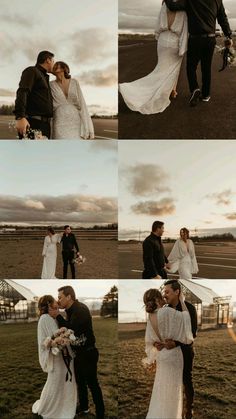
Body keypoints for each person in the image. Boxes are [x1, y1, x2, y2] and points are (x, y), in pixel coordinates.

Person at [119, 1, 188, 114]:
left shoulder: (165, 5)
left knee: (160, 68)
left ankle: (172, 91)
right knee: (172, 70)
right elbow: (185, 29)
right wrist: (182, 47)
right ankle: (135, 90)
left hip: (162, 40)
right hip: (174, 41)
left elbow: (158, 25)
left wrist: (158, 37)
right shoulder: (184, 6)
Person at [49, 286, 105, 419]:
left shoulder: (80, 309)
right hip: (78, 354)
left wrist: (58, 316)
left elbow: (73, 328)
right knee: (80, 383)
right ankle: (84, 407)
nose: (58, 300)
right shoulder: (69, 310)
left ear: (69, 297)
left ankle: (100, 413)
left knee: (92, 384)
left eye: (60, 297)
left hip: (88, 353)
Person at [165, 0, 232, 105]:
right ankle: (205, 95)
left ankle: (195, 88)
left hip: (195, 39)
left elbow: (173, 6)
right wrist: (228, 34)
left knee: (191, 67)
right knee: (206, 68)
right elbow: (222, 18)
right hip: (210, 39)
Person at [143, 286, 193, 419]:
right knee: (173, 391)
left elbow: (149, 341)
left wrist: (157, 343)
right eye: (162, 295)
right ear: (158, 299)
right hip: (174, 355)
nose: (164, 296)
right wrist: (182, 301)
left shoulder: (150, 318)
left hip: (162, 356)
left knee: (161, 389)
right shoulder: (166, 312)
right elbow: (186, 320)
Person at [32, 295, 77, 419]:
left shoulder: (52, 318)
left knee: (61, 382)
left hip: (61, 356)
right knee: (55, 382)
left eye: (58, 308)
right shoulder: (45, 318)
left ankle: (63, 405)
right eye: (55, 307)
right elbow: (49, 339)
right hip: (57, 358)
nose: (57, 310)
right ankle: (52, 407)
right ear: (48, 307)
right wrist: (61, 338)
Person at [161, 279, 198, 419]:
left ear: (177, 292)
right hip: (169, 353)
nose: (165, 295)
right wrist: (160, 343)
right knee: (171, 381)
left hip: (185, 351)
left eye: (167, 292)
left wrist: (176, 343)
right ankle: (173, 408)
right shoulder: (166, 309)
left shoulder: (190, 308)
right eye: (164, 292)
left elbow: (193, 333)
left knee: (186, 380)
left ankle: (189, 409)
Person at [14, 51, 54, 138]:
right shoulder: (32, 71)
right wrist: (20, 117)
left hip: (45, 125)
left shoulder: (44, 77)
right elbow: (22, 92)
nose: (54, 64)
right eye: (53, 61)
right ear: (48, 60)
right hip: (33, 123)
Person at [50, 61, 94, 139]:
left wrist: (89, 127)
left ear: (64, 68)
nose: (55, 66)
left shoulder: (74, 82)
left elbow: (82, 102)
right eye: (54, 66)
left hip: (75, 121)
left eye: (58, 66)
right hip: (59, 120)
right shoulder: (51, 84)